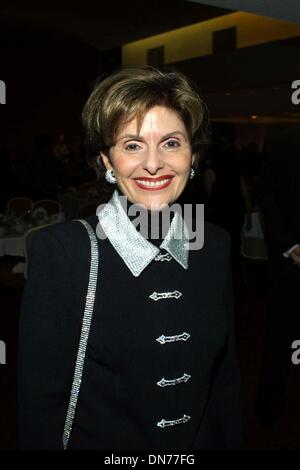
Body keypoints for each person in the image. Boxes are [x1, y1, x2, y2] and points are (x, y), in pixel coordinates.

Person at [18, 65, 243, 450]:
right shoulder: (63, 253)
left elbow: (226, 382)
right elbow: (40, 404)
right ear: (108, 161)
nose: (153, 164)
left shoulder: (214, 245)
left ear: (193, 156)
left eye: (171, 143)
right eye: (132, 145)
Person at [254, 127, 300, 426]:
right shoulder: (284, 141)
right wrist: (290, 245)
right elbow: (266, 195)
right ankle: (269, 410)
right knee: (279, 338)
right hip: (290, 264)